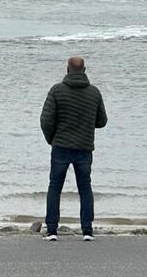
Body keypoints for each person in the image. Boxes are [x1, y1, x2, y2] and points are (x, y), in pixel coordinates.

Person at [40, 57, 108, 242]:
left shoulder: (57, 90)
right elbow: (102, 121)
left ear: (67, 69)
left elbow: (46, 120)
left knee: (55, 187)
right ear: (84, 69)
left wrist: (51, 139)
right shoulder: (94, 92)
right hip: (84, 147)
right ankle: (87, 231)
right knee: (85, 188)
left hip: (61, 145)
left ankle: (52, 231)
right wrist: (85, 123)